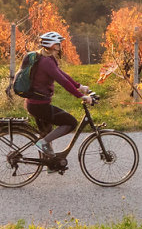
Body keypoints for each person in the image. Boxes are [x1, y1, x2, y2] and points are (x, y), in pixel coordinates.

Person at [23, 31, 98, 168]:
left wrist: (80, 86)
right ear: (52, 45)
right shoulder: (46, 62)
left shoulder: (46, 58)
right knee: (70, 123)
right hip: (39, 105)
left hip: (35, 103)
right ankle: (42, 143)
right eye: (58, 44)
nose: (60, 46)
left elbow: (62, 74)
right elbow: (62, 81)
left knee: (47, 132)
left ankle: (51, 165)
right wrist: (81, 96)